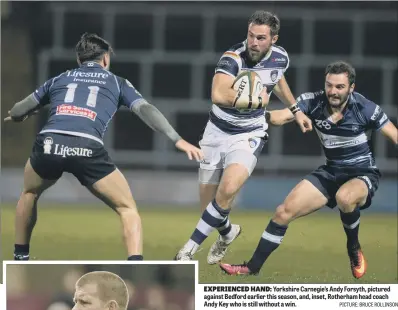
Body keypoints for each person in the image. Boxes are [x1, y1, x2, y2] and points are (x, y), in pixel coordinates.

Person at [4, 32, 203, 261]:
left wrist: (22, 116)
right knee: (127, 209)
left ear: (79, 60)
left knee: (29, 193)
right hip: (87, 146)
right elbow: (146, 110)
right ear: (105, 59)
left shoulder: (60, 78)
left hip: (50, 143)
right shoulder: (117, 82)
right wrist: (176, 139)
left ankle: (21, 256)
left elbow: (18, 110)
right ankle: (135, 263)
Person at [220, 61, 398, 278]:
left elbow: (394, 134)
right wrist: (254, 113)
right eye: (329, 85)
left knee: (345, 197)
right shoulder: (312, 101)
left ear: (352, 88)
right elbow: (281, 116)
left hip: (362, 174)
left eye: (339, 87)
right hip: (331, 172)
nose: (333, 91)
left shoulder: (366, 109)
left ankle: (353, 249)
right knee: (283, 212)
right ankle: (251, 267)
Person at [174, 10, 312, 263]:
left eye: (260, 38)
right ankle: (228, 233)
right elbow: (217, 94)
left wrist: (295, 110)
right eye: (250, 36)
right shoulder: (232, 58)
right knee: (210, 207)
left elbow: (277, 79)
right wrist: (250, 99)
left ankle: (188, 249)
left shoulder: (280, 58)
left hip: (250, 133)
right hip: (216, 132)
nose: (254, 42)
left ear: (274, 39)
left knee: (227, 189)